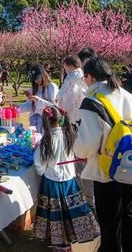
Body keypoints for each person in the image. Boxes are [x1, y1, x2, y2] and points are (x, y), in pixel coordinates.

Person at [74, 57, 132, 252]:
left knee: (109, 220)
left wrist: (78, 151)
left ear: (90, 77)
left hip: (106, 169)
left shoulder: (92, 101)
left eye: (85, 77)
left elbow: (87, 144)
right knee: (129, 212)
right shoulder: (128, 96)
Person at [33, 106, 100, 252]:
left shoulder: (46, 141)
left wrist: (42, 170)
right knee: (69, 212)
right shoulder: (70, 135)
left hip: (52, 183)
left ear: (46, 122)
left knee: (55, 214)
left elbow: (39, 164)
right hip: (69, 181)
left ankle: (60, 244)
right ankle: (69, 239)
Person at [55, 55, 92, 208]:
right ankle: (89, 199)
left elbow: (58, 99)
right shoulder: (84, 78)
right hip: (85, 125)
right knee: (84, 163)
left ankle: (84, 200)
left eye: (64, 67)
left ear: (68, 65)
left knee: (79, 164)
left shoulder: (71, 78)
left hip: (75, 126)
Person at [19, 64, 59, 133]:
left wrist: (38, 100)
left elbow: (55, 108)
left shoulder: (52, 87)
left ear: (43, 74)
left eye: (37, 78)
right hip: (34, 123)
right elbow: (30, 106)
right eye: (34, 79)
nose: (36, 81)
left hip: (47, 125)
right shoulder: (34, 88)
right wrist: (17, 107)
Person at [56, 55, 86, 124]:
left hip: (71, 102)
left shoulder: (71, 76)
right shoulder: (83, 74)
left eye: (65, 68)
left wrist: (57, 97)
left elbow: (63, 88)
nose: (66, 71)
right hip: (81, 101)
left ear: (71, 66)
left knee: (70, 119)